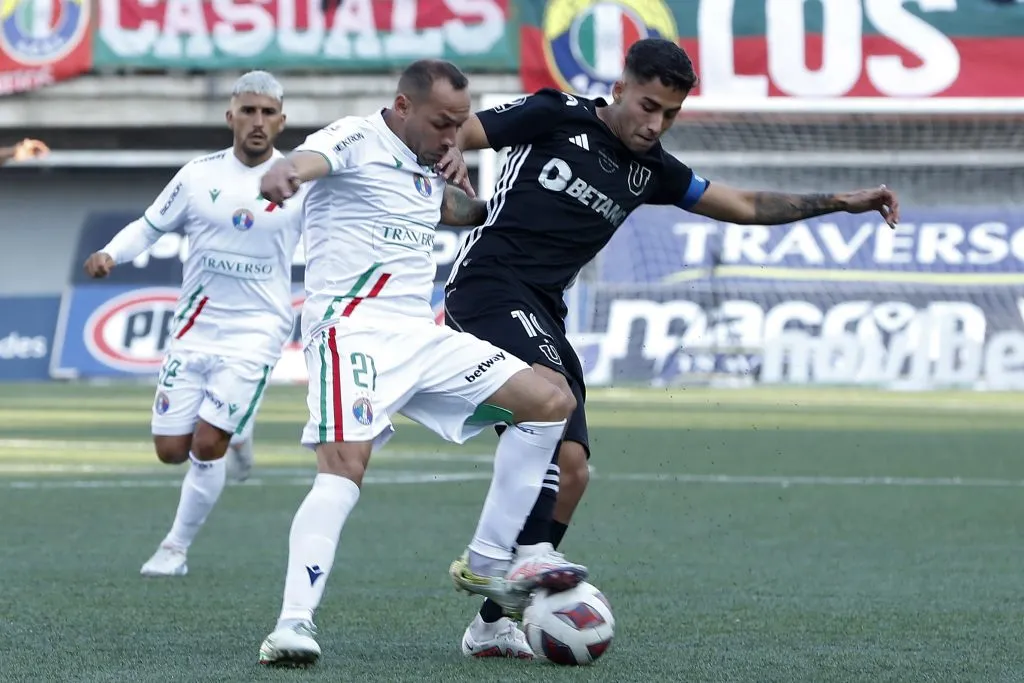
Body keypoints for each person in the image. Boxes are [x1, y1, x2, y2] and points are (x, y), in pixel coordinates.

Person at [441, 37, 901, 657]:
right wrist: (449, 151)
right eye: (649, 106)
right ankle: (508, 556)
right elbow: (462, 129)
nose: (656, 124)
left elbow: (744, 204)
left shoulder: (652, 170)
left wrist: (840, 203)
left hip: (544, 312)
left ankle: (491, 624)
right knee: (551, 406)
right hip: (487, 289)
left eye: (671, 114)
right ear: (619, 90)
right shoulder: (555, 112)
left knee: (573, 470)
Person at [255, 59, 588, 668]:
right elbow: (308, 161)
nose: (452, 135)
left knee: (550, 402)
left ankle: (487, 563)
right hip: (351, 331)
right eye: (442, 123)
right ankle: (292, 625)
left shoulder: (427, 162)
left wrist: (479, 193)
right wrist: (284, 172)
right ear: (404, 106)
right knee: (344, 468)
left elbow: (459, 212)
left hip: (419, 336)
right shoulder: (355, 137)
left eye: (460, 124)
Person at [83, 71, 306, 578]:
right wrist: (111, 253)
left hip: (258, 329)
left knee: (207, 445)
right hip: (195, 327)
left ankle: (174, 549)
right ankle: (241, 432)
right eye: (248, 111)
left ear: (281, 121)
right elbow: (149, 226)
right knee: (170, 451)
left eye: (268, 113)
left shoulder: (299, 182)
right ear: (230, 117)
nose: (257, 121)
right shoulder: (197, 175)